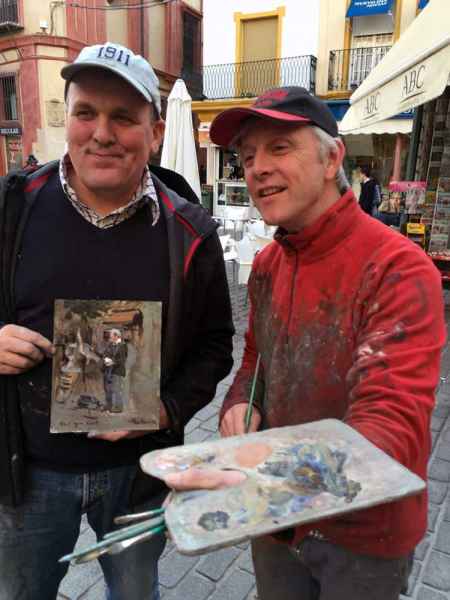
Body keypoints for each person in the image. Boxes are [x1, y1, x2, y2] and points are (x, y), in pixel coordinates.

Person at [163, 87, 446, 600]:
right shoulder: (268, 264)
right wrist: (240, 404)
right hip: (278, 522)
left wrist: (260, 476)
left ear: (332, 158)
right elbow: (257, 359)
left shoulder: (398, 269)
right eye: (248, 156)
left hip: (364, 530)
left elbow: (392, 422)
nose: (257, 168)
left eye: (280, 147)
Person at [0, 42, 233, 600]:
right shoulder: (12, 207)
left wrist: (166, 408)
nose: (101, 133)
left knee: (135, 593)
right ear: (69, 119)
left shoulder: (190, 231)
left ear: (155, 134)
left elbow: (215, 347)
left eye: (123, 117)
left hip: (138, 473)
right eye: (86, 113)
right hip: (28, 474)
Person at [103, 328, 128, 413]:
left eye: (111, 336)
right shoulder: (111, 344)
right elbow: (106, 354)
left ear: (116, 336)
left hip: (118, 371)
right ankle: (109, 406)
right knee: (109, 389)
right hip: (109, 370)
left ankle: (118, 407)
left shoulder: (123, 346)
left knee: (117, 389)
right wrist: (106, 359)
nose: (109, 338)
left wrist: (112, 362)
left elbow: (122, 360)